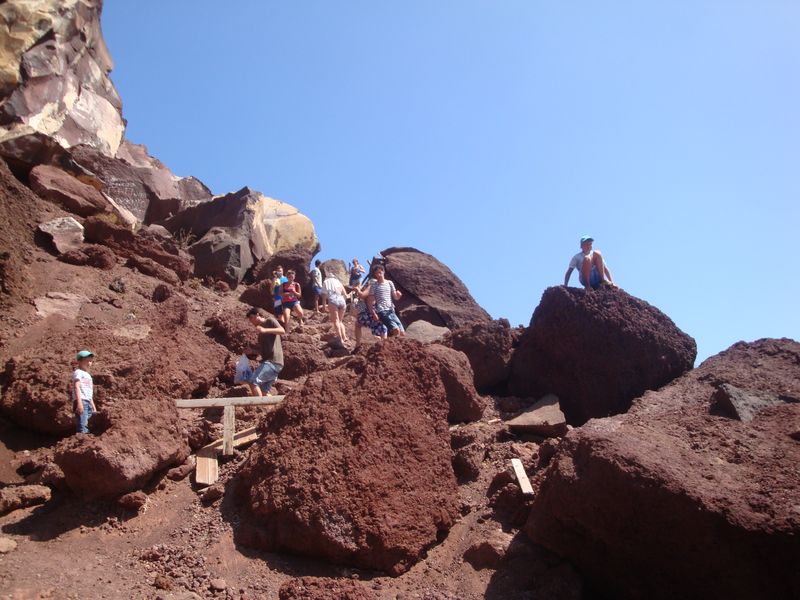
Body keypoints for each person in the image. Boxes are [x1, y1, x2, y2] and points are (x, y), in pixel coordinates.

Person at [246, 307, 285, 396]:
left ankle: (256, 407)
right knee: (263, 393)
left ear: (257, 315)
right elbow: (263, 351)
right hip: (271, 363)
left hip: (273, 362)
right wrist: (252, 351)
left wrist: (265, 330)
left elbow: (282, 330)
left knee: (253, 382)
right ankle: (271, 408)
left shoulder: (270, 321)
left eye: (252, 318)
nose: (251, 322)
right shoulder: (260, 335)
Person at [369, 264, 405, 337]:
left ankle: (396, 345)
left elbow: (395, 297)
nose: (378, 275)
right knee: (396, 330)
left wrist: (399, 295)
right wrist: (374, 313)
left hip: (391, 310)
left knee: (402, 332)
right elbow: (371, 300)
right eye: (376, 273)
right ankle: (393, 346)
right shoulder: (374, 285)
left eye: (380, 272)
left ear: (383, 272)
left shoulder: (389, 283)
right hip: (381, 310)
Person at [353, 278, 388, 348]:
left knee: (358, 324)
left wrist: (357, 290)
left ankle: (358, 344)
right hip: (380, 310)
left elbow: (362, 295)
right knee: (382, 327)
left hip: (370, 311)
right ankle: (385, 345)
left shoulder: (372, 286)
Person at [72, 350, 97, 434]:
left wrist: (93, 407)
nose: (89, 363)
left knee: (86, 423)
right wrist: (79, 403)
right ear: (79, 361)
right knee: (82, 425)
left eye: (91, 361)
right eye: (87, 360)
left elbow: (89, 393)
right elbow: (77, 386)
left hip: (87, 401)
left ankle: (85, 438)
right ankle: (81, 439)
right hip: (81, 401)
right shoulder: (78, 372)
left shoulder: (88, 375)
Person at [322, 273, 348, 342]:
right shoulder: (338, 282)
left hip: (332, 299)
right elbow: (345, 294)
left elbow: (324, 296)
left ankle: (340, 339)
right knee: (340, 321)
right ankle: (344, 337)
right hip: (341, 299)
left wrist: (324, 306)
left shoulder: (326, 282)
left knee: (336, 320)